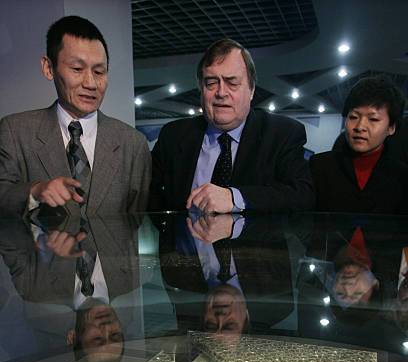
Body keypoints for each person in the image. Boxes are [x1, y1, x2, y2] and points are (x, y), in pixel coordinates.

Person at [0, 15, 151, 217]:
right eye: (77, 69)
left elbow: (137, 222)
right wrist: (35, 192)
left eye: (99, 72)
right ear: (48, 67)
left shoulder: (133, 143)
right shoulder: (15, 131)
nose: (90, 83)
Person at [149, 38, 314, 213]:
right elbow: (149, 195)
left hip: (253, 240)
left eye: (232, 83)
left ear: (251, 90)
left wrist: (235, 198)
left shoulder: (282, 134)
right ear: (201, 89)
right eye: (211, 83)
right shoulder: (173, 135)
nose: (221, 93)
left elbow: (302, 196)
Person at [310, 75, 407, 214]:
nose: (360, 126)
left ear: (391, 128)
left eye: (373, 119)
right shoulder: (319, 166)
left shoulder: (402, 177)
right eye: (353, 117)